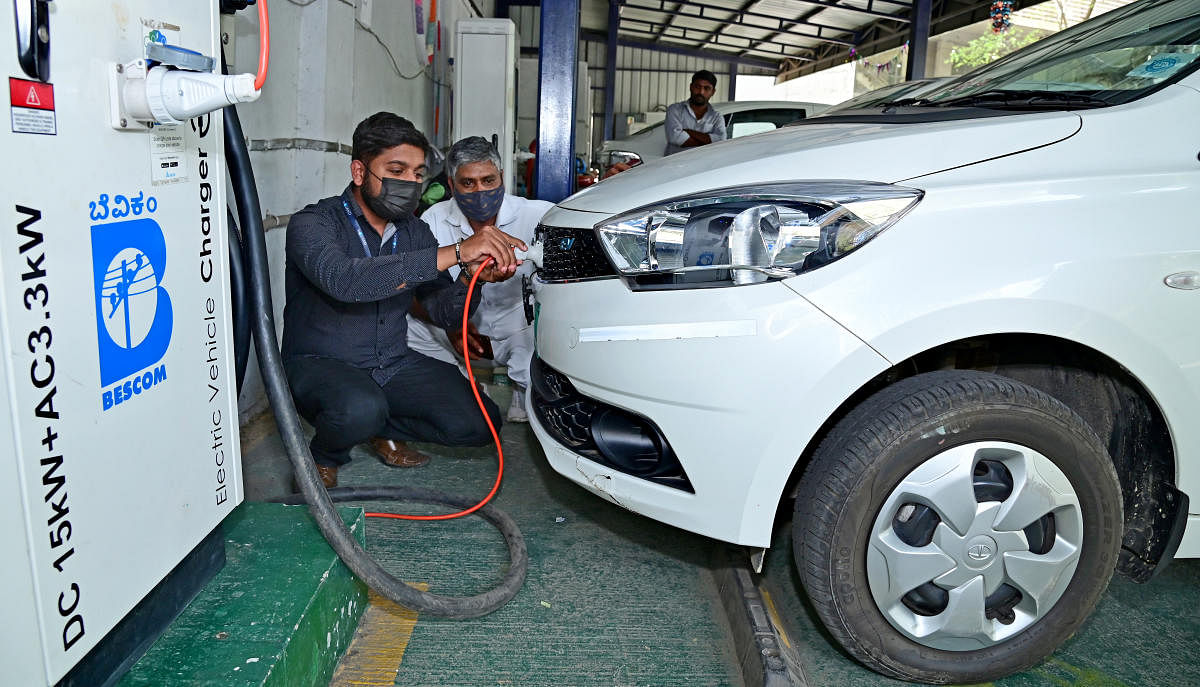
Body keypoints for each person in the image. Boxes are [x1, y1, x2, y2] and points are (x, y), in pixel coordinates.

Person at [282, 113, 526, 488]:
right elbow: (347, 282)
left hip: (391, 362)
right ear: (360, 172)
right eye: (397, 170)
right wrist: (458, 250)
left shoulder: (416, 232)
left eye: (417, 173)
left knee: (480, 422)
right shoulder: (314, 224)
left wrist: (470, 277)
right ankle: (322, 456)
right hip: (321, 363)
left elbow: (444, 311)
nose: (410, 183)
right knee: (357, 407)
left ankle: (376, 428)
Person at [407, 136, 552, 423]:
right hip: (460, 331)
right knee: (409, 330)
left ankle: (523, 388)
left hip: (520, 328)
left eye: (488, 181)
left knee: (538, 380)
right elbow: (410, 291)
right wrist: (449, 327)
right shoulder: (432, 222)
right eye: (468, 183)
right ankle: (462, 384)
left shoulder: (540, 216)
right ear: (451, 185)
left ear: (502, 179)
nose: (480, 191)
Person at [664, 70, 726, 156]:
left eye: (706, 88)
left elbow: (720, 140)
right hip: (675, 166)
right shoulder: (675, 110)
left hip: (705, 167)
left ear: (713, 92)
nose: (701, 92)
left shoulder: (716, 117)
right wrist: (708, 141)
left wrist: (689, 132)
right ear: (691, 87)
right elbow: (675, 138)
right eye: (697, 87)